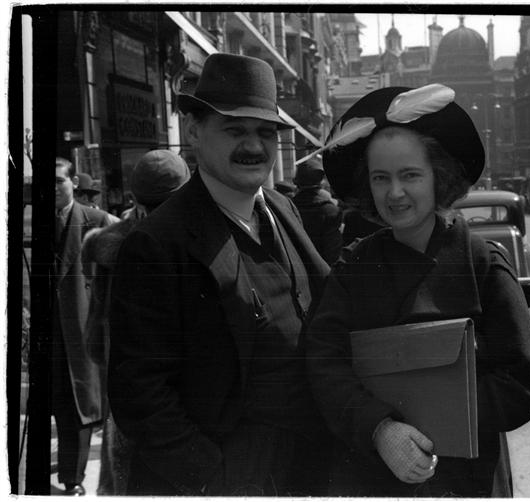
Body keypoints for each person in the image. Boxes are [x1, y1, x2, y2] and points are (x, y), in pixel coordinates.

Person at [305, 85, 530, 497]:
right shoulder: (352, 269)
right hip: (377, 476)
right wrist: (380, 429)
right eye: (381, 178)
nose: (395, 193)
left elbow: (524, 382)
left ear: (439, 177)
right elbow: (323, 364)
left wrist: (434, 422)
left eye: (410, 175)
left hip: (465, 480)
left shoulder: (482, 262)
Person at [108, 53, 332, 496]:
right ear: (194, 131)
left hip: (306, 465)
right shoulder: (157, 242)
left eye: (265, 132)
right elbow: (140, 393)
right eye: (234, 130)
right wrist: (213, 481)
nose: (254, 147)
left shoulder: (283, 209)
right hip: (231, 476)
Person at [82, 150, 191, 495]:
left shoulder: (108, 246)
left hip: (126, 385)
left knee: (126, 472)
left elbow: (94, 339)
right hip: (190, 394)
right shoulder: (196, 240)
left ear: (136, 197)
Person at [52, 157, 116, 495]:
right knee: (63, 407)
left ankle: (73, 479)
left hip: (82, 331)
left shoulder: (97, 220)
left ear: (73, 182)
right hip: (51, 335)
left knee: (81, 407)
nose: (53, 189)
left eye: (58, 181)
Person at [293, 158, 343, 264]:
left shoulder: (286, 207)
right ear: (321, 181)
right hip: (322, 270)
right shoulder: (331, 211)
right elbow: (333, 253)